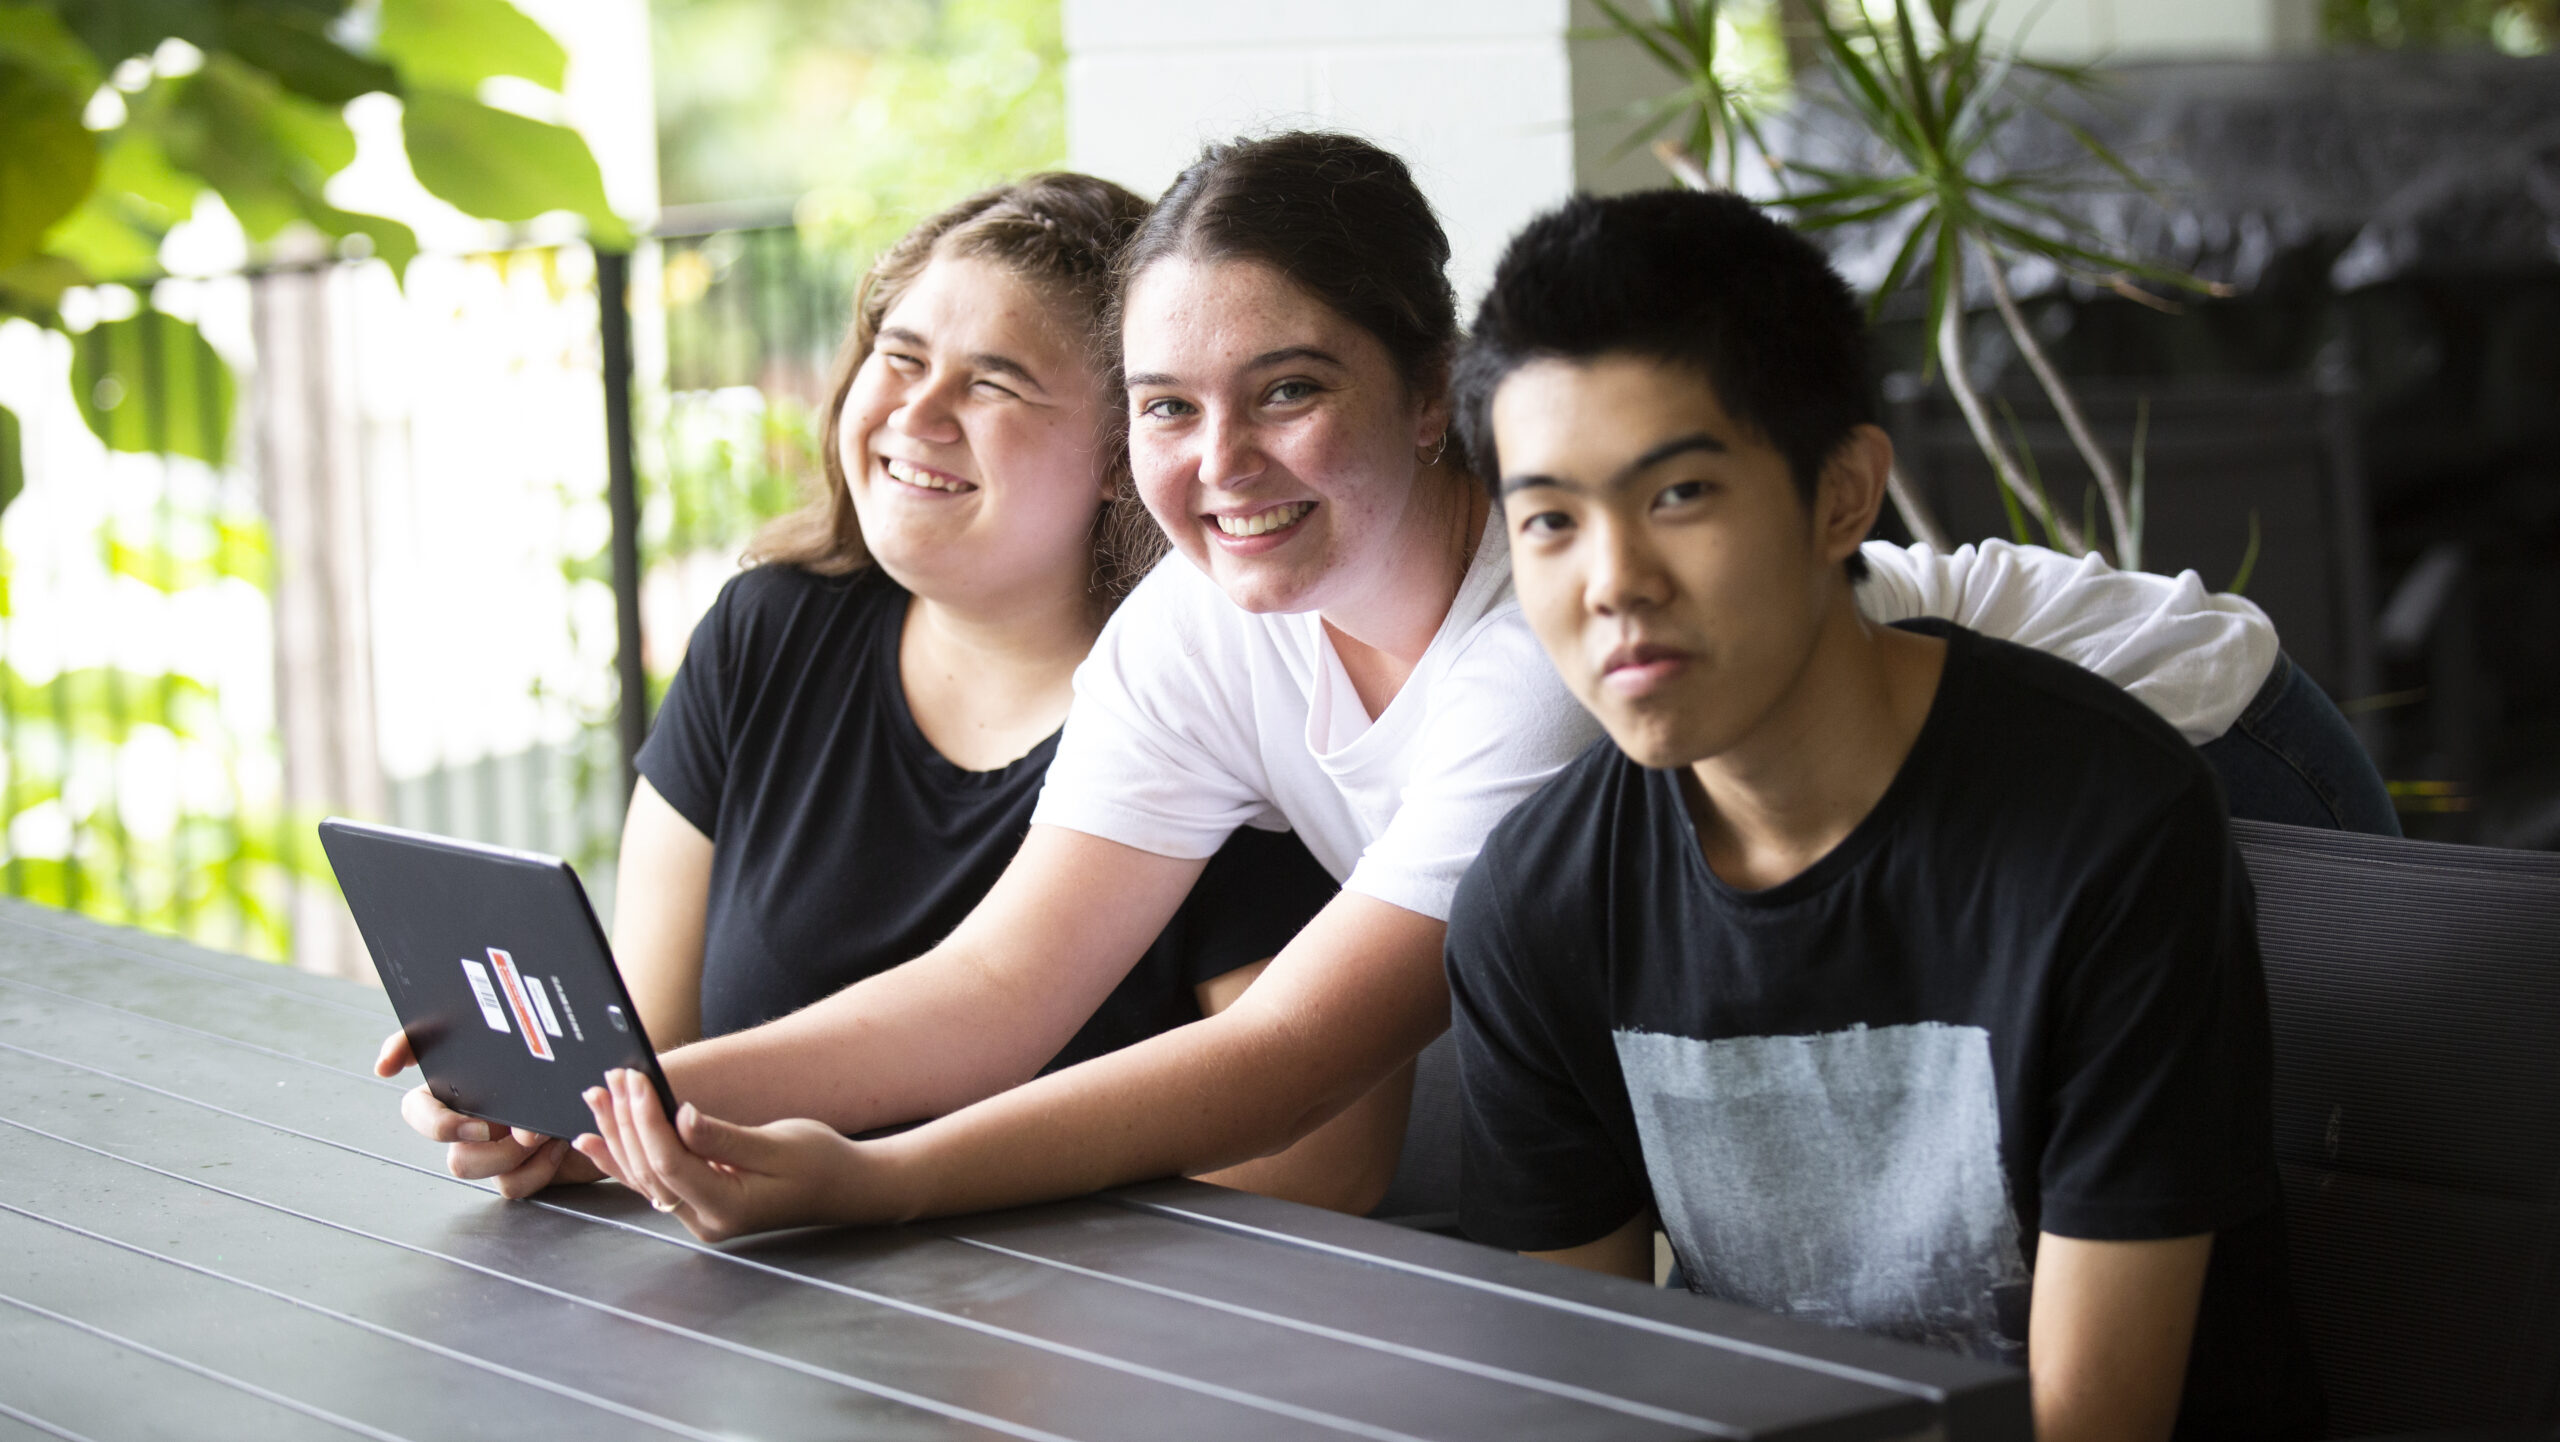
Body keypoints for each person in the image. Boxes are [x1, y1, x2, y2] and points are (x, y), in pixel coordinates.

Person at [563, 133, 2312, 1246]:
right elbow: (999, 983)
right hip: (1909, 861)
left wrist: (872, 1177)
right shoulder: (1200, 622)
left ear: (1429, 394)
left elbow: (1289, 1054)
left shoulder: (1570, 648)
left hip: (2221, 777)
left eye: (1288, 389)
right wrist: (632, 1103)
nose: (1219, 459)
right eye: (1168, 405)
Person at [1442, 188, 2324, 1441]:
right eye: (1548, 520)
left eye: (1680, 492)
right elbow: (1582, 1392)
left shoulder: (2105, 827)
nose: (1613, 582)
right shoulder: (1534, 904)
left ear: (1844, 495)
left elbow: (2093, 1420)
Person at [375, 173, 1338, 1197]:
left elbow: (1318, 1164)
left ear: (1125, 450)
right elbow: (645, 1057)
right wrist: (547, 1111)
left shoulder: (1211, 708)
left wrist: (901, 1205)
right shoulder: (766, 632)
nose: (916, 414)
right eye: (901, 357)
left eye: (993, 383)